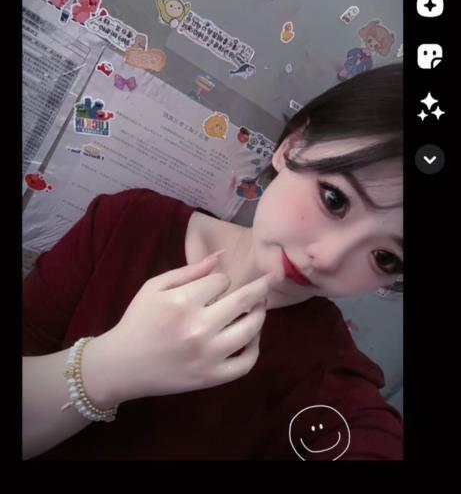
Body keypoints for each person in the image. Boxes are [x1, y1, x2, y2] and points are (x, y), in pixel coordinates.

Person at [22, 63, 403, 460]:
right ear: (292, 146)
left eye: (386, 258)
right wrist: (109, 367)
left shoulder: (331, 381)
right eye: (334, 199)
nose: (326, 259)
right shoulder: (129, 223)